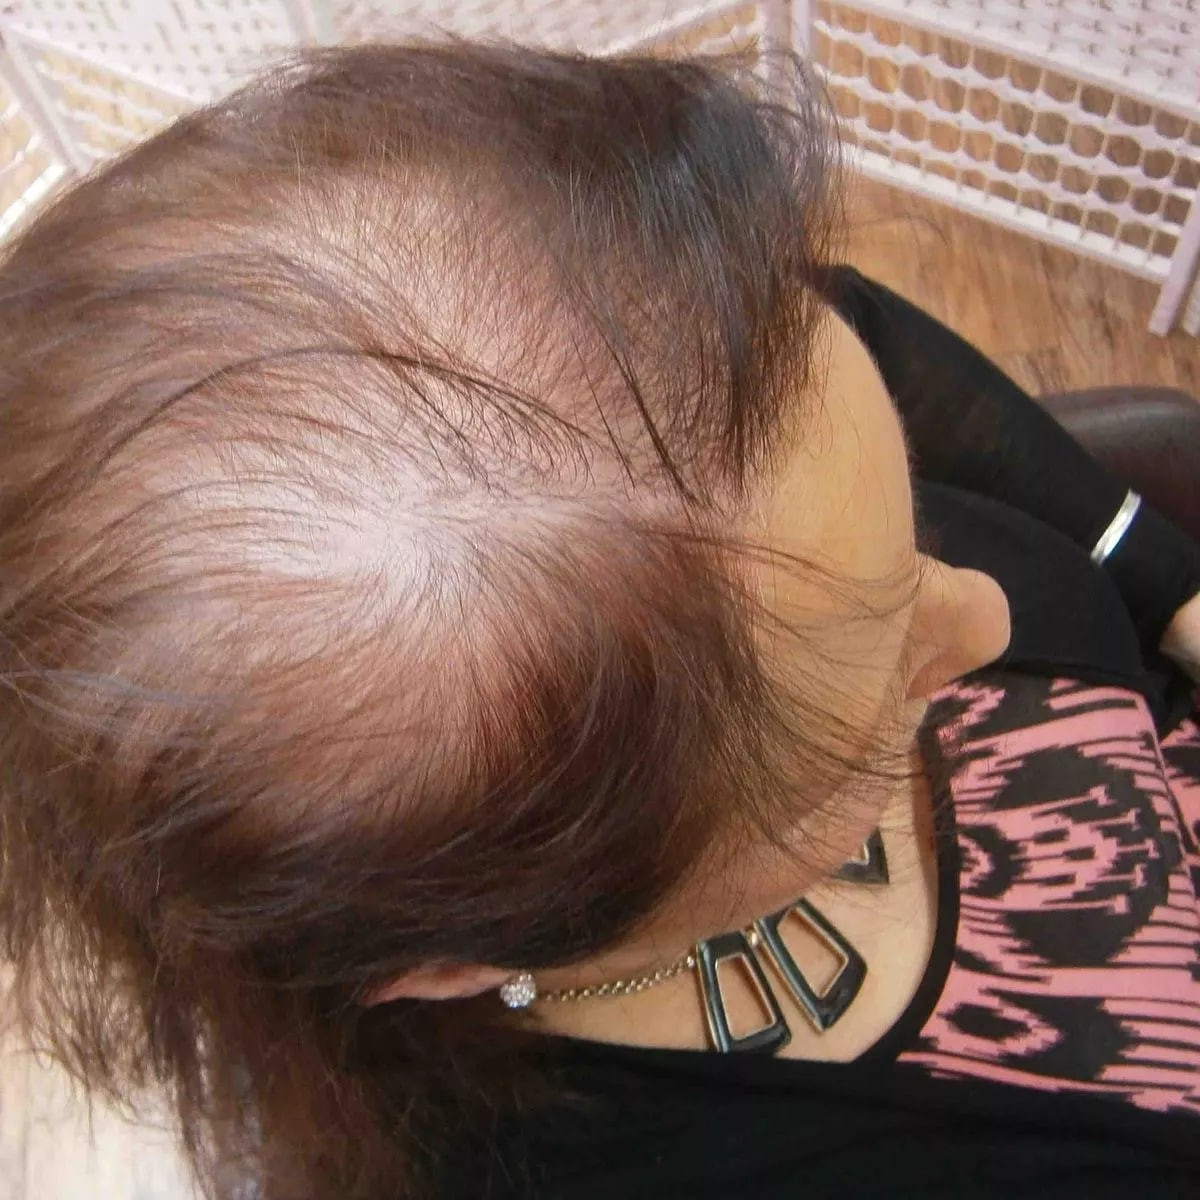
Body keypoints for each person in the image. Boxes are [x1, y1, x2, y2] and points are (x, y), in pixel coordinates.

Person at [0, 40, 1198, 1200]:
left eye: (911, 524)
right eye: (867, 713)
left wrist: (1162, 577)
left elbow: (856, 323)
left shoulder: (743, 422)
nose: (985, 616)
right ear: (454, 959)